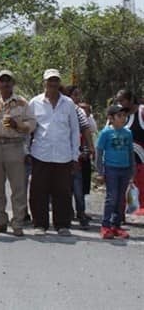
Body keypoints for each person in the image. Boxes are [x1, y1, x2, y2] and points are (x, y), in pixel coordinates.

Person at [27, 69, 80, 236]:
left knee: (62, 192)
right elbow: (28, 129)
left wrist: (75, 156)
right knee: (38, 191)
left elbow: (74, 130)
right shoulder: (35, 103)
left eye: (56, 81)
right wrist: (25, 151)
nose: (53, 84)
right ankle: (40, 224)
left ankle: (62, 225)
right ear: (44, 83)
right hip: (40, 154)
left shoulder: (69, 103)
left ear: (59, 83)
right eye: (50, 81)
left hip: (63, 155)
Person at [0, 70, 36, 236]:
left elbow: (32, 123)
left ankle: (18, 223)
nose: (5, 84)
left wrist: (18, 125)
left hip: (15, 145)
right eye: (2, 81)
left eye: (8, 81)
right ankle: (0, 221)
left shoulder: (21, 102)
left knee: (18, 187)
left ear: (13, 83)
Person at [96, 104, 136, 239]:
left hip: (125, 168)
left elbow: (130, 152)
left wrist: (132, 169)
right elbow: (99, 151)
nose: (123, 118)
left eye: (125, 115)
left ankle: (116, 225)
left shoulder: (128, 133)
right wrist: (100, 171)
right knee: (111, 198)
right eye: (119, 116)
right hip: (111, 168)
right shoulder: (106, 133)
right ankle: (105, 225)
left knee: (120, 199)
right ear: (111, 118)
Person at [63, 85, 95, 228]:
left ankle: (81, 214)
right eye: (73, 95)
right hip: (62, 155)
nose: (76, 98)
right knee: (64, 188)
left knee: (78, 189)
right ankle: (67, 213)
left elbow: (87, 130)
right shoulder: (60, 108)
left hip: (77, 156)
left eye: (77, 95)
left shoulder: (78, 111)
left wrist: (89, 149)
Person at [114, 89, 144, 215]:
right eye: (118, 101)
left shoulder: (142, 111)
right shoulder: (119, 113)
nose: (120, 103)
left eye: (123, 100)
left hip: (140, 159)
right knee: (121, 189)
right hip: (122, 159)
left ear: (131, 100)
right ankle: (120, 216)